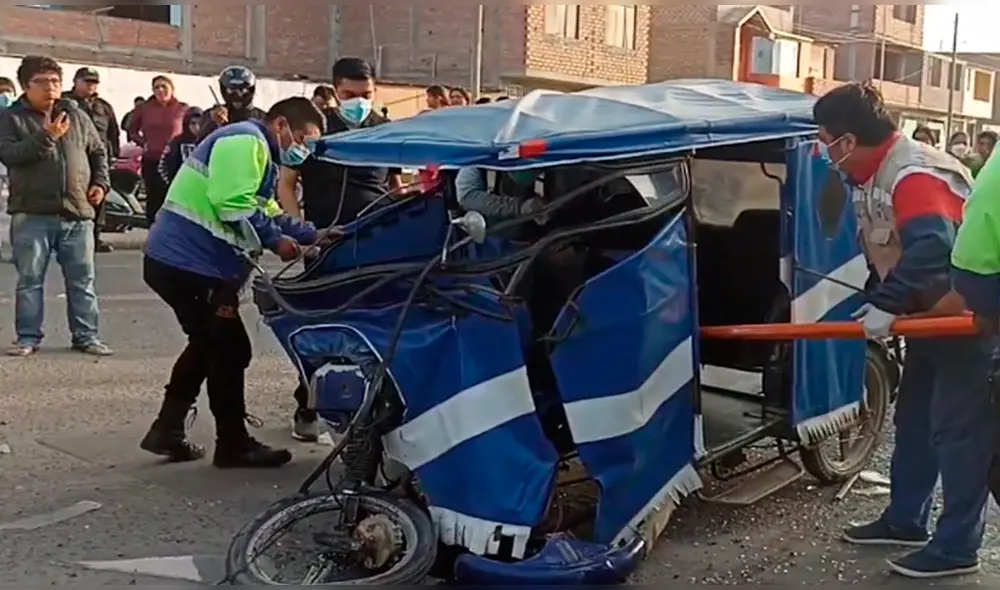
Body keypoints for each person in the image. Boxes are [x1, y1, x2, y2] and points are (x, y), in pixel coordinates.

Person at [814, 82, 993, 579]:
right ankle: (906, 520)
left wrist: (887, 307)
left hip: (964, 322)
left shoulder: (915, 176)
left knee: (958, 432)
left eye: (824, 138)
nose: (821, 150)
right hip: (928, 321)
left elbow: (934, 250)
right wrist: (884, 301)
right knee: (914, 421)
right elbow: (887, 250)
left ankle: (958, 546)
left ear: (847, 140)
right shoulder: (874, 176)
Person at [140, 97, 323, 468]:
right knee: (228, 348)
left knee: (209, 344)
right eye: (303, 138)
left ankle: (168, 429)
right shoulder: (246, 141)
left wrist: (310, 234)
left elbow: (264, 208)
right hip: (188, 263)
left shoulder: (259, 152)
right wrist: (277, 242)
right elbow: (231, 204)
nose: (301, 149)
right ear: (282, 125)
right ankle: (232, 444)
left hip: (187, 263)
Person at [276, 56, 400, 442]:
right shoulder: (317, 129)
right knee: (322, 328)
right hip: (324, 246)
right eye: (350, 94)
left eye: (366, 94)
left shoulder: (384, 129)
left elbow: (397, 185)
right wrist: (302, 234)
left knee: (377, 329)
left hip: (378, 243)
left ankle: (374, 409)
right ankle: (308, 404)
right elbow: (286, 184)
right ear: (335, 91)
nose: (358, 102)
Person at [0, 55, 113, 357]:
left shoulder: (75, 114)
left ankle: (86, 336)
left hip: (77, 213)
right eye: (42, 82)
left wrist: (100, 184)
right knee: (30, 281)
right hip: (32, 213)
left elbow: (98, 151)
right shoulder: (11, 118)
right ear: (26, 86)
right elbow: (11, 154)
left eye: (55, 82)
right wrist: (47, 135)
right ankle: (27, 338)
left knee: (82, 281)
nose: (51, 88)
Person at [63, 67, 119, 254]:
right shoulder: (64, 102)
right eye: (86, 81)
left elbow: (113, 132)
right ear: (76, 81)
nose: (91, 86)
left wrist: (114, 155)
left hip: (97, 157)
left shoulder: (103, 106)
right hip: (74, 156)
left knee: (98, 197)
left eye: (94, 82)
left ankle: (95, 237)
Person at [128, 75, 188, 226]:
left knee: (174, 198)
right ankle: (153, 233)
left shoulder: (182, 108)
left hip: (173, 160)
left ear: (172, 89)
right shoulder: (145, 109)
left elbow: (191, 131)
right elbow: (131, 129)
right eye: (156, 87)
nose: (160, 90)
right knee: (154, 199)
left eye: (164, 86)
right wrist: (143, 142)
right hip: (152, 159)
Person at [197, 66, 267, 143]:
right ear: (224, 89)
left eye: (242, 90)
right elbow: (200, 144)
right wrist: (213, 122)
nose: (237, 95)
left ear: (251, 90)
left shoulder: (262, 118)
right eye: (232, 90)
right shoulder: (212, 115)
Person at [157, 107, 203, 186]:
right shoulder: (176, 142)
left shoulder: (209, 140)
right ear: (186, 124)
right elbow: (163, 166)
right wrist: (173, 184)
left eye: (200, 123)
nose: (197, 127)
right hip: (182, 187)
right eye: (193, 123)